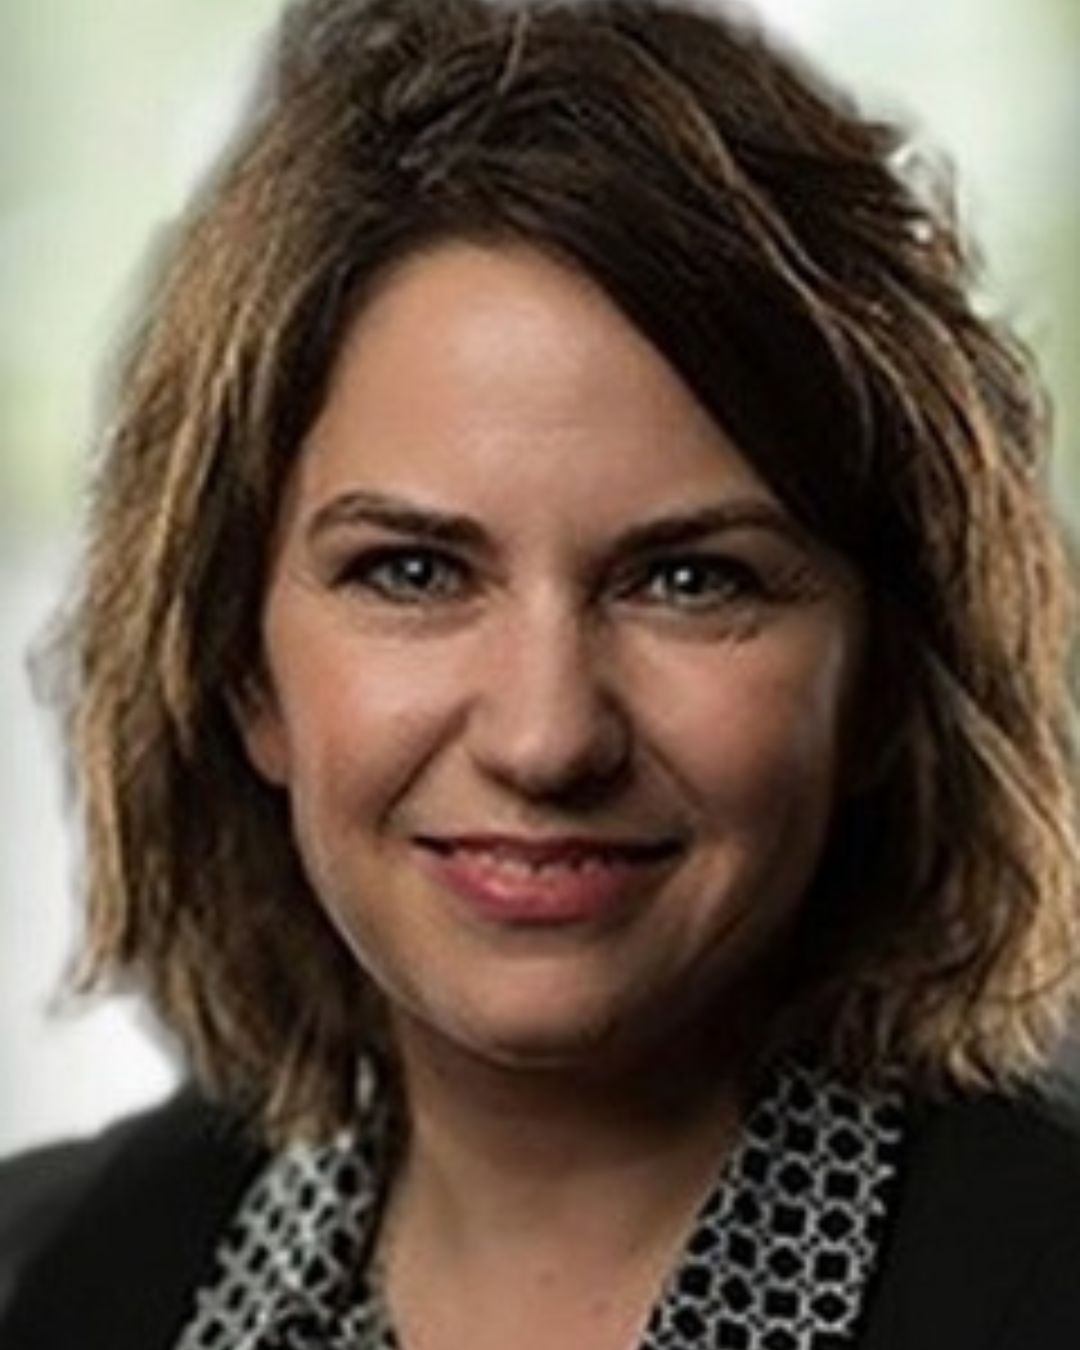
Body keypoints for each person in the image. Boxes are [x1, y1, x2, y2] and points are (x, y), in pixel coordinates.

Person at [2, 0, 1079, 1346]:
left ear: (879, 678)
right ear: (242, 667)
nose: (548, 735)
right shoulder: (51, 1281)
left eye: (692, 579)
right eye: (412, 571)